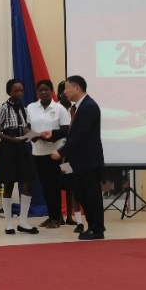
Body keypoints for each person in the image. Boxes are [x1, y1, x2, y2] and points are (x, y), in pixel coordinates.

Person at [51, 75, 105, 240]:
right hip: (79, 161)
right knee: (83, 194)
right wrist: (52, 134)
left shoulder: (89, 107)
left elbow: (81, 134)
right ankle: (93, 226)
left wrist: (61, 151)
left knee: (91, 195)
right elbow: (72, 131)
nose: (65, 92)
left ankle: (97, 229)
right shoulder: (79, 107)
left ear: (77, 88)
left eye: (67, 88)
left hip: (89, 161)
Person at [0, 79, 38, 235]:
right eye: (16, 91)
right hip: (8, 147)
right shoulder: (3, 108)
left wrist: (33, 136)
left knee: (28, 182)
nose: (20, 93)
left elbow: (24, 128)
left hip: (22, 147)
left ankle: (23, 221)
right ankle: (8, 223)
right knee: (9, 183)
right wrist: (12, 140)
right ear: (9, 92)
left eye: (21, 90)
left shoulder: (24, 109)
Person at [27, 79, 70, 229]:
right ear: (37, 92)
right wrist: (33, 135)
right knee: (45, 186)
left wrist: (51, 135)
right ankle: (52, 216)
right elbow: (26, 127)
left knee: (54, 185)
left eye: (46, 89)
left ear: (51, 91)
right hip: (37, 152)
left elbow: (66, 130)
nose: (43, 92)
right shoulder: (31, 107)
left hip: (55, 153)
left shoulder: (59, 109)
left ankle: (56, 218)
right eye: (40, 90)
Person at [55, 80, 83, 231]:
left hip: (70, 153)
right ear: (59, 93)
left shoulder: (75, 108)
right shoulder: (55, 108)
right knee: (57, 184)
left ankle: (70, 216)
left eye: (67, 90)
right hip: (57, 152)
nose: (65, 93)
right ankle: (58, 215)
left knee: (70, 184)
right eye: (63, 91)